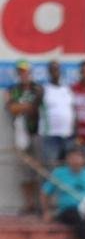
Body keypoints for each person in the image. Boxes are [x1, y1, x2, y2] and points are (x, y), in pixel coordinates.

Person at [40, 146, 85, 239]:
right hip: (68, 210)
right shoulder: (59, 173)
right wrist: (47, 211)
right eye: (72, 157)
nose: (76, 160)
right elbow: (45, 193)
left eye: (79, 157)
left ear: (84, 159)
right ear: (67, 159)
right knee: (75, 216)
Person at [8, 60, 44, 213]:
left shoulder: (38, 88)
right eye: (20, 71)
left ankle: (39, 204)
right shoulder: (14, 89)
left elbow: (41, 107)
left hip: (37, 132)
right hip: (21, 132)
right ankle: (28, 204)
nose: (23, 74)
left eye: (25, 71)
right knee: (24, 170)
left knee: (39, 169)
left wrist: (23, 107)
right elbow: (12, 108)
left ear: (30, 72)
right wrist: (29, 107)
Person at [40, 60, 75, 165]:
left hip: (67, 135)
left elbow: (72, 110)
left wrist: (75, 132)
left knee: (67, 169)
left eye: (57, 69)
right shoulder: (43, 89)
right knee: (50, 169)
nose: (55, 72)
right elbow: (34, 111)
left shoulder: (67, 89)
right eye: (52, 70)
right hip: (50, 136)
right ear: (49, 72)